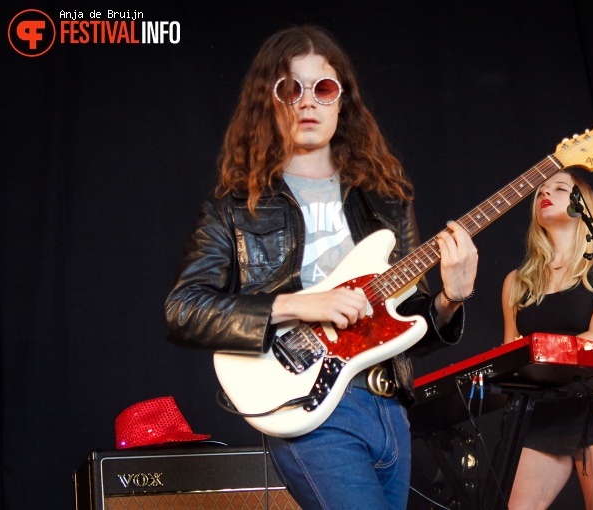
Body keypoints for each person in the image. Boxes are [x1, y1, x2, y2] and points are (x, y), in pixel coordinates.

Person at [164, 25, 478, 510]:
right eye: (291, 88)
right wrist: (303, 304)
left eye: (323, 88)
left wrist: (450, 299)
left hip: (389, 408)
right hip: (310, 404)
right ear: (270, 102)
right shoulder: (234, 206)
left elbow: (412, 324)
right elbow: (184, 310)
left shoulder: (389, 201)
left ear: (341, 101)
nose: (307, 102)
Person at [501, 170, 593, 510]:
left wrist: (536, 352)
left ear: (582, 206)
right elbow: (508, 353)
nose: (546, 193)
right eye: (541, 191)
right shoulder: (517, 282)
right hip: (545, 404)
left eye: (560, 188)